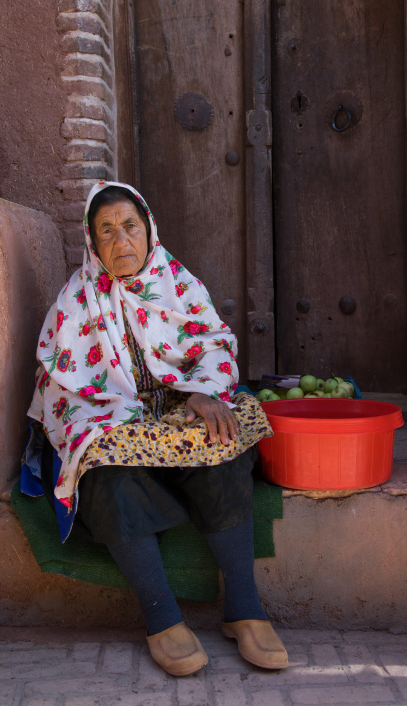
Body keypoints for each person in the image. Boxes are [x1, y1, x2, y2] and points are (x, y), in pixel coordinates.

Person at [27, 181, 288, 676]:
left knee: (228, 432)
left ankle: (244, 607)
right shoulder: (73, 303)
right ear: (91, 240)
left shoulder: (179, 284)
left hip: (178, 414)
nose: (121, 241)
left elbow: (213, 344)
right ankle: (162, 617)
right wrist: (105, 424)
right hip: (116, 422)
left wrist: (205, 390)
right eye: (107, 231)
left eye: (130, 226)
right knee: (98, 466)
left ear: (148, 230)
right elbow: (58, 388)